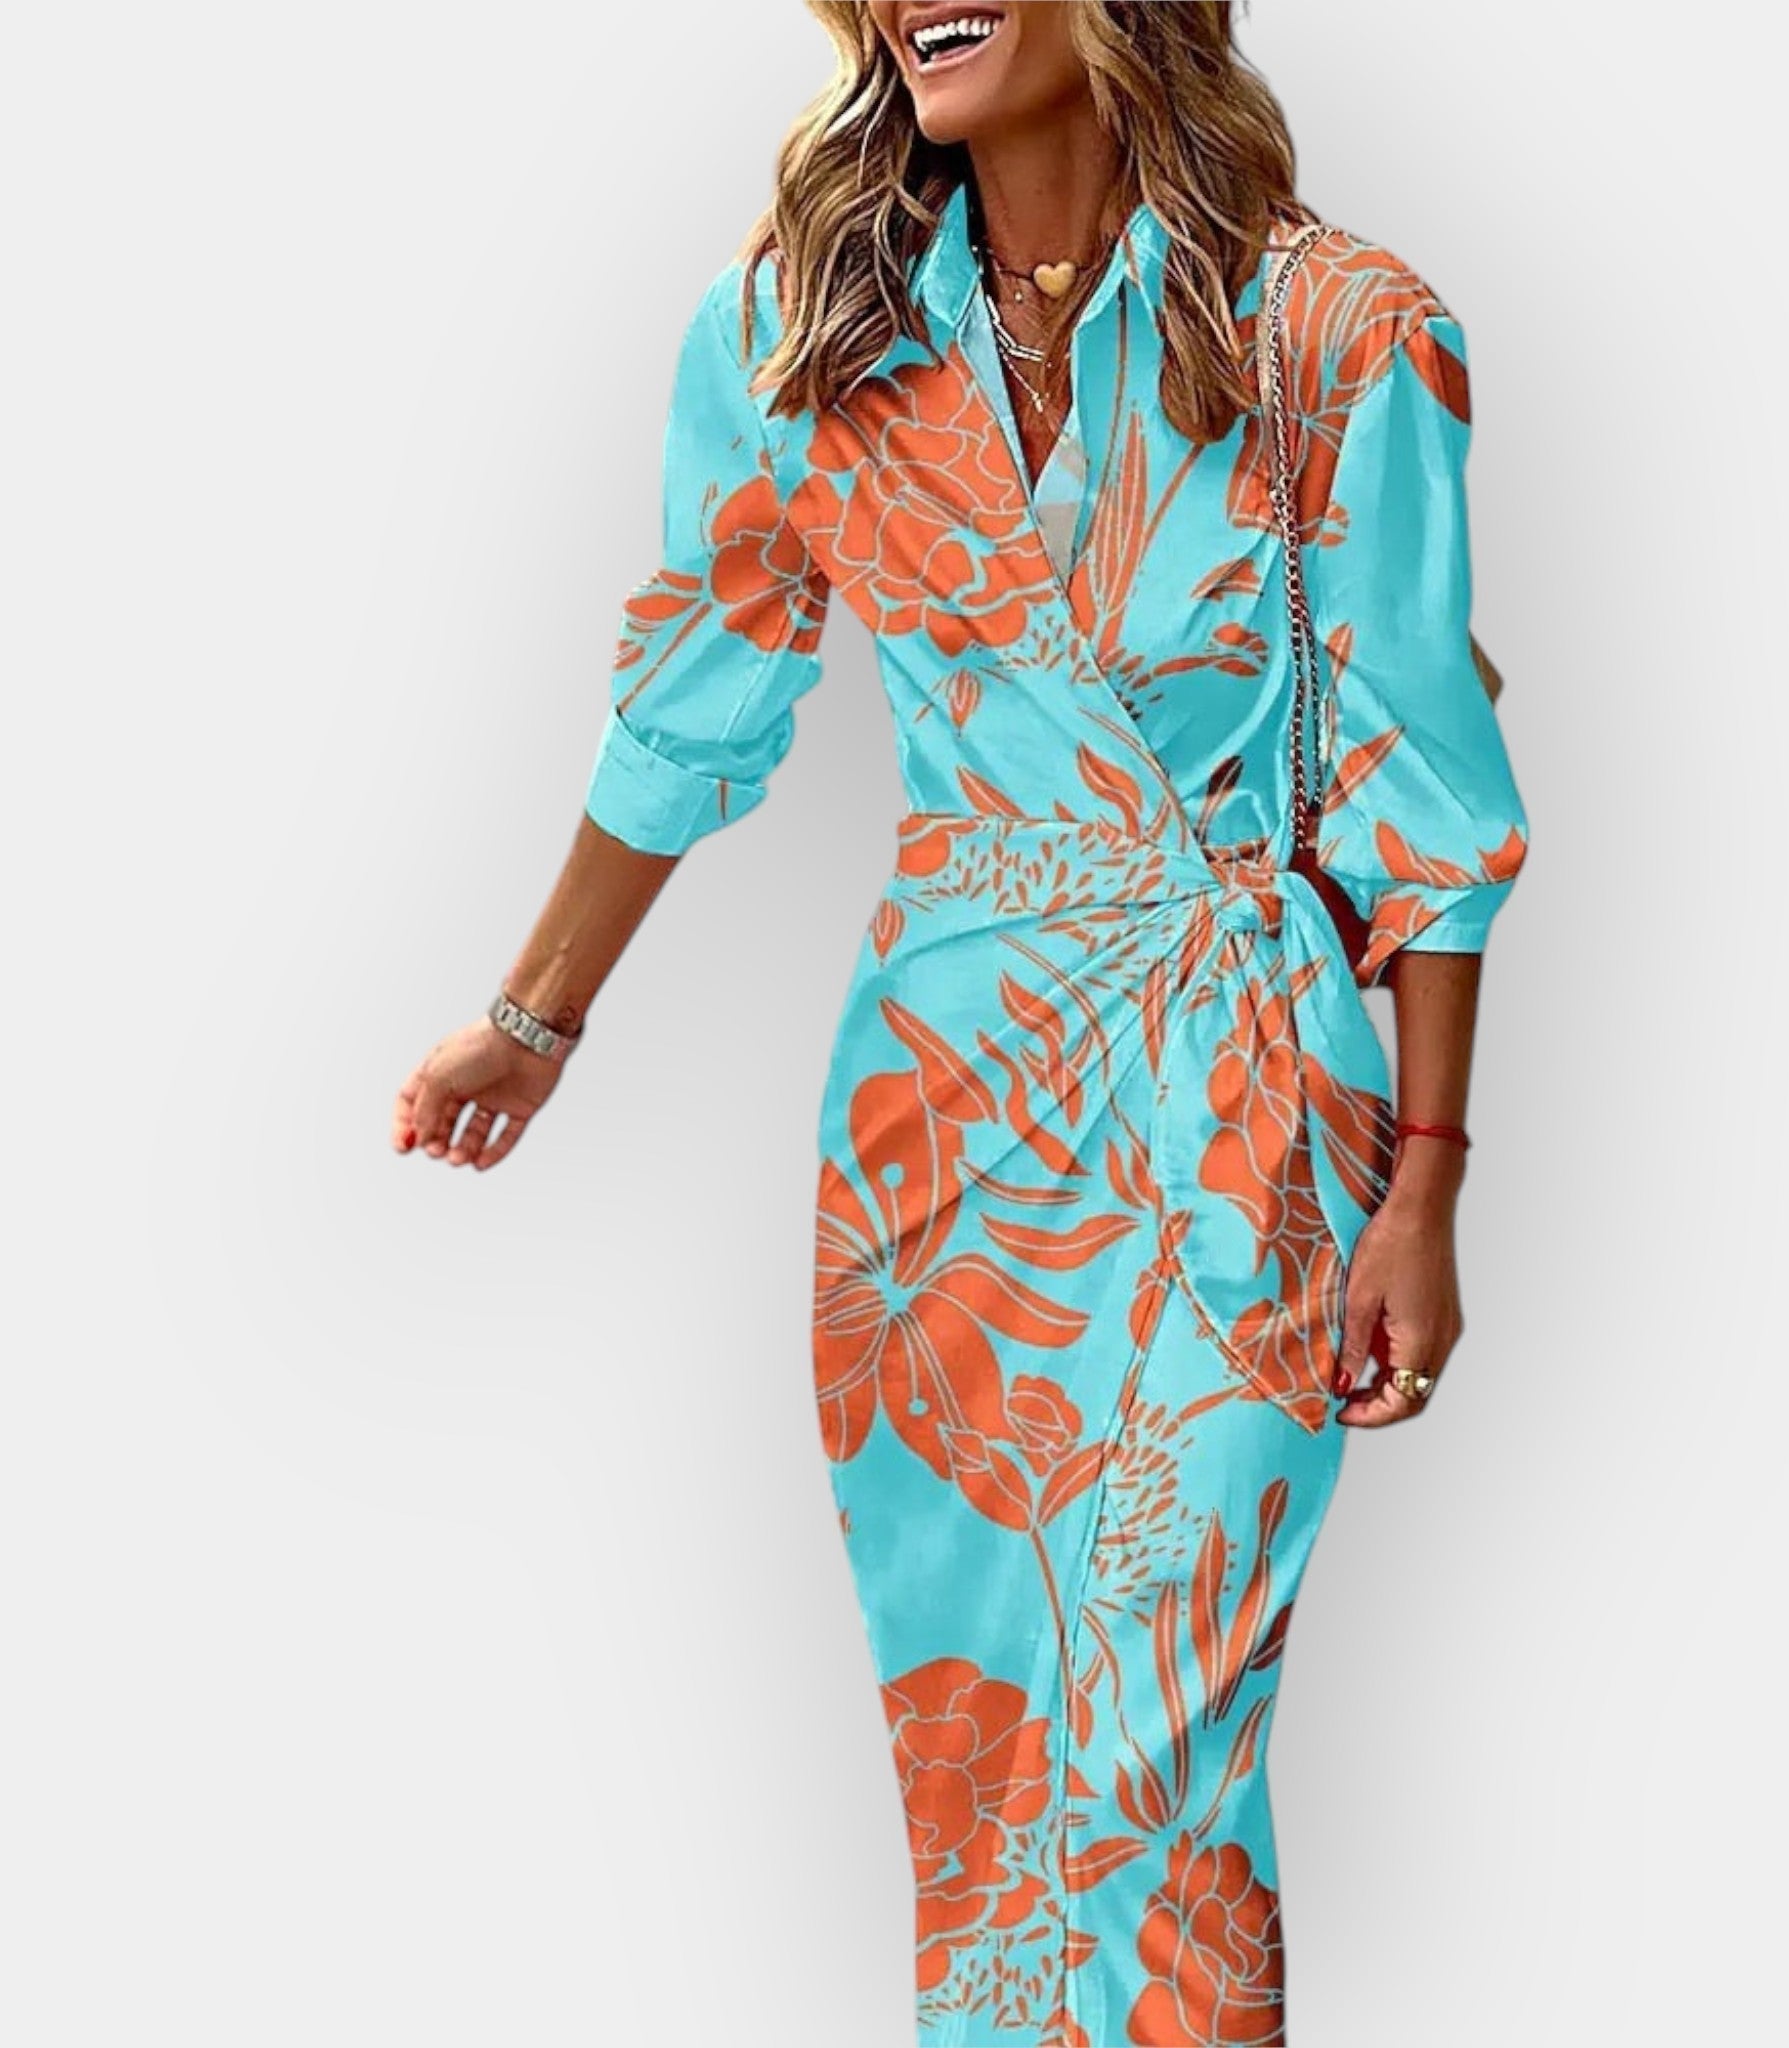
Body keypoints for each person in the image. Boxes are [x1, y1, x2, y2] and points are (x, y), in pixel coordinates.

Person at [391, 3, 1530, 2039]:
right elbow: (698, 691)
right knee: (989, 1791)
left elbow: (1422, 776)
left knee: (1163, 1766)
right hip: (940, 1138)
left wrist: (1428, 1183)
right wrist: (531, 1019)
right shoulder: (806, 331)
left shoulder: (1343, 328)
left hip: (1245, 1098)